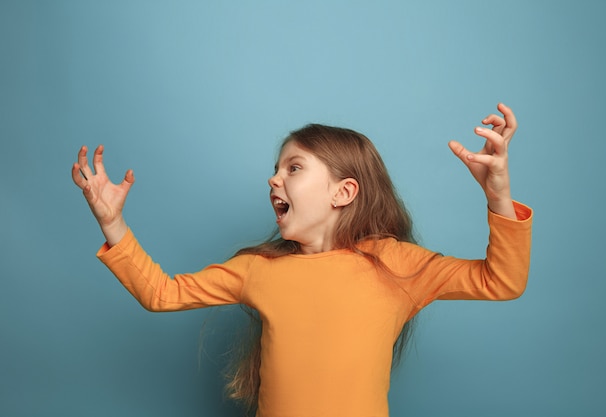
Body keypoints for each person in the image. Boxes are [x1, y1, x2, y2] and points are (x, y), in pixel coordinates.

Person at [71, 103, 532, 417]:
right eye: (274, 170)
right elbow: (161, 293)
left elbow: (502, 281)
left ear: (343, 192)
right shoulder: (258, 269)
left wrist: (498, 195)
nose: (274, 180)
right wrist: (113, 223)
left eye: (293, 168)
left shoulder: (396, 264)